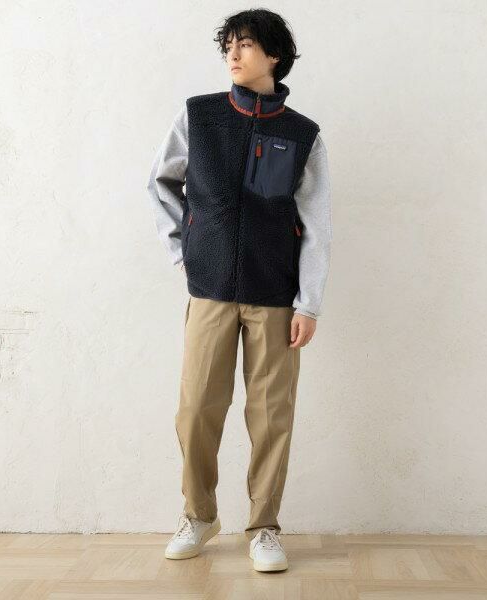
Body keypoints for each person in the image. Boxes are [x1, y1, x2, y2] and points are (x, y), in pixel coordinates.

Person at [146, 8, 332, 572]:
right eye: (228, 43)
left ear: (273, 55)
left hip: (276, 295)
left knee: (271, 415)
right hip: (210, 291)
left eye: (246, 44)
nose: (233, 53)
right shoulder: (198, 116)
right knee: (196, 409)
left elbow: (317, 224)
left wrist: (309, 303)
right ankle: (198, 515)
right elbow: (161, 184)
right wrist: (184, 252)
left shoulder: (302, 135)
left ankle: (264, 527)